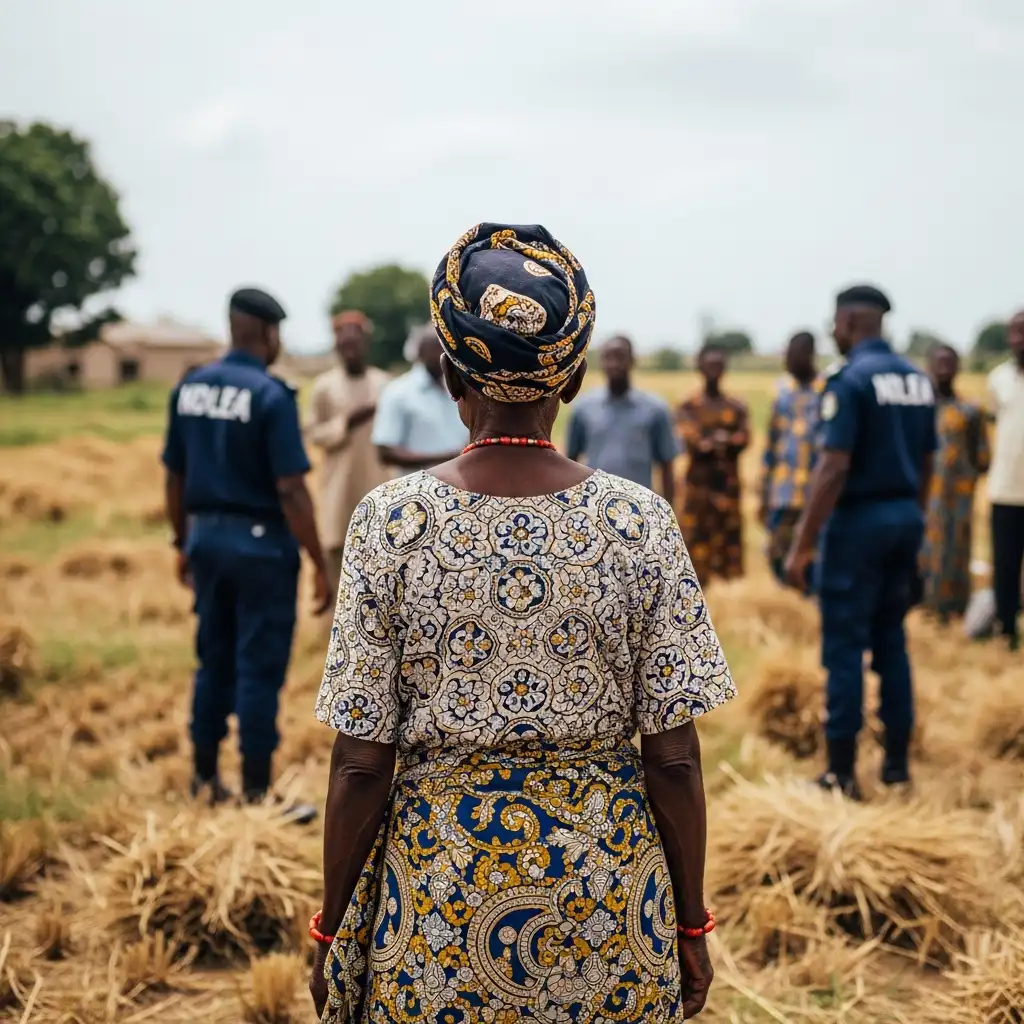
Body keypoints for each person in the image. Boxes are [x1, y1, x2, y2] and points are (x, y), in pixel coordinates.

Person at [307, 223, 736, 1023]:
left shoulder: (389, 523)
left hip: (438, 908)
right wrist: (689, 923)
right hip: (609, 908)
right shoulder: (640, 522)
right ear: (570, 381)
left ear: (448, 376)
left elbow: (361, 766)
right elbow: (674, 760)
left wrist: (331, 926)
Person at [162, 287, 328, 822]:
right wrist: (319, 563)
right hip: (260, 546)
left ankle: (205, 777)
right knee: (259, 666)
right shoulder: (271, 395)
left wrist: (180, 540)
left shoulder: (190, 387)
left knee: (213, 658)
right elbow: (291, 489)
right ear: (269, 333)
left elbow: (174, 474)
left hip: (205, 536)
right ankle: (258, 793)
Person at [785, 285, 936, 798]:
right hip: (905, 518)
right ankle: (896, 765)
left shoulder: (849, 380)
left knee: (845, 648)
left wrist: (802, 545)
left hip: (858, 525)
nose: (831, 331)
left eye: (835, 322)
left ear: (850, 321)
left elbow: (833, 466)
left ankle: (841, 772)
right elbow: (928, 463)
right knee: (892, 641)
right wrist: (916, 521)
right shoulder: (916, 379)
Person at [306, 311, 391, 596]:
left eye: (355, 343)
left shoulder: (384, 385)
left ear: (365, 344)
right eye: (344, 344)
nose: (350, 349)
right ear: (336, 346)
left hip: (377, 483)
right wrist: (346, 423)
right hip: (338, 488)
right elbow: (312, 433)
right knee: (337, 556)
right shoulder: (323, 387)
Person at [920, 344, 990, 621]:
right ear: (928, 366)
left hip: (958, 493)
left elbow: (982, 456)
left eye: (950, 363)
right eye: (939, 363)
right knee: (925, 548)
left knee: (956, 548)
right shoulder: (921, 409)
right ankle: (924, 605)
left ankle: (953, 608)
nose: (944, 369)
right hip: (924, 492)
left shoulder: (970, 410)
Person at [565, 334, 678, 502]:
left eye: (620, 357)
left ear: (633, 361)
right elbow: (570, 461)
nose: (613, 364)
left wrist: (670, 515)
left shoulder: (655, 409)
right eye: (607, 357)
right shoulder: (583, 407)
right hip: (594, 505)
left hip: (640, 505)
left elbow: (666, 465)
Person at [675, 345, 750, 583]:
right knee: (695, 545)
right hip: (698, 491)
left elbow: (745, 438)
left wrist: (714, 440)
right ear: (699, 367)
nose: (714, 372)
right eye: (709, 366)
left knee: (728, 543)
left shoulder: (736, 406)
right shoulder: (688, 406)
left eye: (719, 366)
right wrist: (723, 440)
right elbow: (694, 442)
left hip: (727, 489)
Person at [759, 331, 823, 586]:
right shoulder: (781, 390)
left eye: (792, 355)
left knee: (813, 558)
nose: (787, 361)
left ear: (809, 355)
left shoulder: (828, 389)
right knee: (778, 554)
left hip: (815, 492)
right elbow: (771, 444)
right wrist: (764, 492)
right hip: (783, 492)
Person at [371, 324, 468, 473]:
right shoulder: (398, 392)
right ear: (420, 352)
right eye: (437, 346)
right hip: (418, 490)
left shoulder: (459, 389)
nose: (443, 353)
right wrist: (447, 458)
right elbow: (386, 452)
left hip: (461, 485)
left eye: (446, 346)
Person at [987, 311, 1024, 650]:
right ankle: (1006, 630)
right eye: (1014, 333)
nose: (1018, 340)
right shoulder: (998, 379)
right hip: (1005, 490)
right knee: (1005, 565)